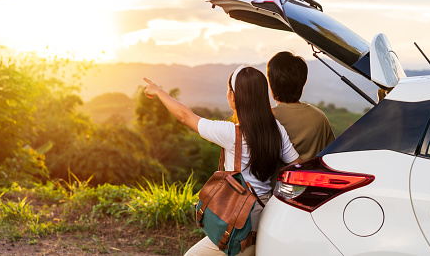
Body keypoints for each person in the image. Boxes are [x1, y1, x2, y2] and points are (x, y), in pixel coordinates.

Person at [143, 64, 301, 256]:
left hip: (240, 221)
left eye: (228, 89)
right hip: (265, 215)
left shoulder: (230, 133)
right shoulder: (276, 129)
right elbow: (297, 166)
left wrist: (159, 92)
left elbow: (185, 117)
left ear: (234, 97)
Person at [267, 52, 335, 185]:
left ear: (271, 84)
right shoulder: (319, 118)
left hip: (273, 198)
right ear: (303, 83)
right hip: (309, 194)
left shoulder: (266, 118)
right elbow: (331, 160)